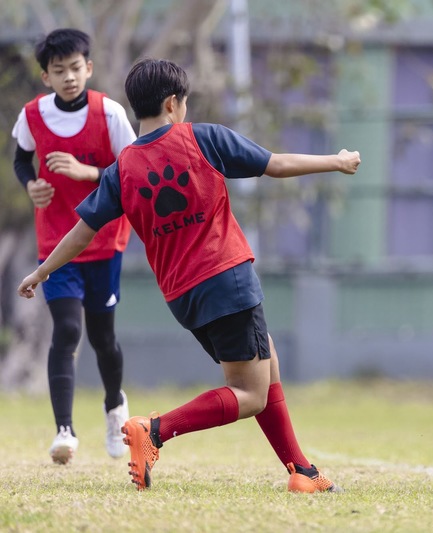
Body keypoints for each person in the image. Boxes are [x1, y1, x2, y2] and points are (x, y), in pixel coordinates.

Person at [18, 57, 361, 492]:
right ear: (172, 103)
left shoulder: (121, 169)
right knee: (250, 393)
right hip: (227, 278)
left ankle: (303, 472)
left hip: (184, 296)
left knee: (265, 359)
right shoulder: (203, 138)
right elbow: (275, 164)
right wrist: (336, 160)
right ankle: (156, 430)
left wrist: (42, 271)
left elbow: (81, 233)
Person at [11, 28, 135, 465]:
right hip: (56, 244)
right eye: (58, 71)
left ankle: (114, 408)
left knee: (103, 337)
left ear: (89, 68)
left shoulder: (111, 114)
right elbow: (20, 159)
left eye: (75, 68)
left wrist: (86, 173)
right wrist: (31, 186)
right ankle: (64, 431)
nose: (69, 77)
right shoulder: (32, 115)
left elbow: (131, 172)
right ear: (45, 76)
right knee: (66, 330)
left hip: (104, 241)